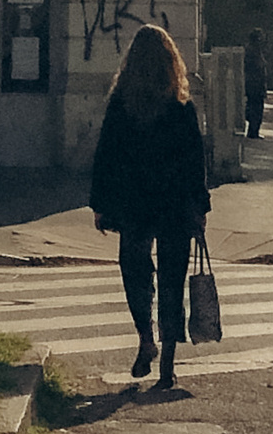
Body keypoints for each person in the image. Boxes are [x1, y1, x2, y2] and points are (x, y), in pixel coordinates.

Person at [89, 20, 211, 394]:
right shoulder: (181, 108)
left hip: (135, 205)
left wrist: (100, 204)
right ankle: (168, 366)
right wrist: (200, 209)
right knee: (172, 281)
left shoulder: (122, 106)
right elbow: (195, 164)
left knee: (135, 271)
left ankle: (146, 337)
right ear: (171, 62)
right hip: (174, 206)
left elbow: (105, 156)